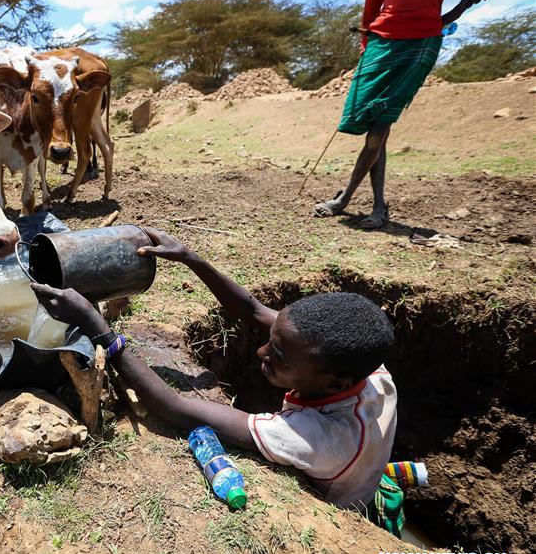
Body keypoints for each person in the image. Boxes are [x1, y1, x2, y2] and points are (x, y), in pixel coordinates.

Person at [31, 228, 404, 533]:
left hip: (342, 503)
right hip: (361, 472)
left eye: (278, 356)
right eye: (270, 343)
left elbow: (175, 408)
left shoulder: (313, 438)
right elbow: (255, 311)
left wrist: (100, 329)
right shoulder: (369, 370)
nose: (261, 354)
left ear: (334, 384)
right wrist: (191, 258)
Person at [313, 0, 488, 229]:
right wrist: (367, 47)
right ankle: (377, 206)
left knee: (379, 128)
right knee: (373, 127)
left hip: (419, 44)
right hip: (381, 46)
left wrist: (467, 2)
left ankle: (345, 199)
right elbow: (370, 11)